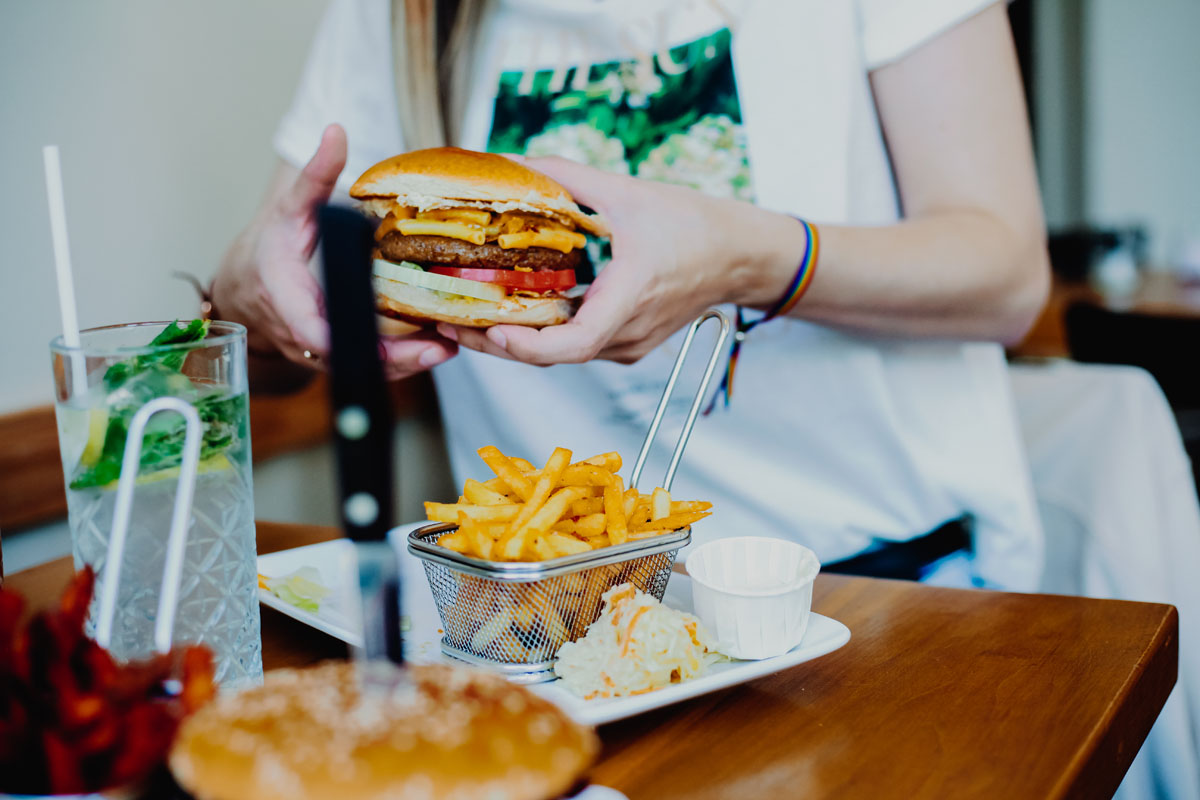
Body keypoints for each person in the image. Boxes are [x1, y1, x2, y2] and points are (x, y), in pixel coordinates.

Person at [215, 0, 1050, 589]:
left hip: (883, 589)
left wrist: (746, 257)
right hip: (545, 607)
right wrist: (244, 301)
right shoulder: (401, 14)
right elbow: (277, 348)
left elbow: (1007, 275)